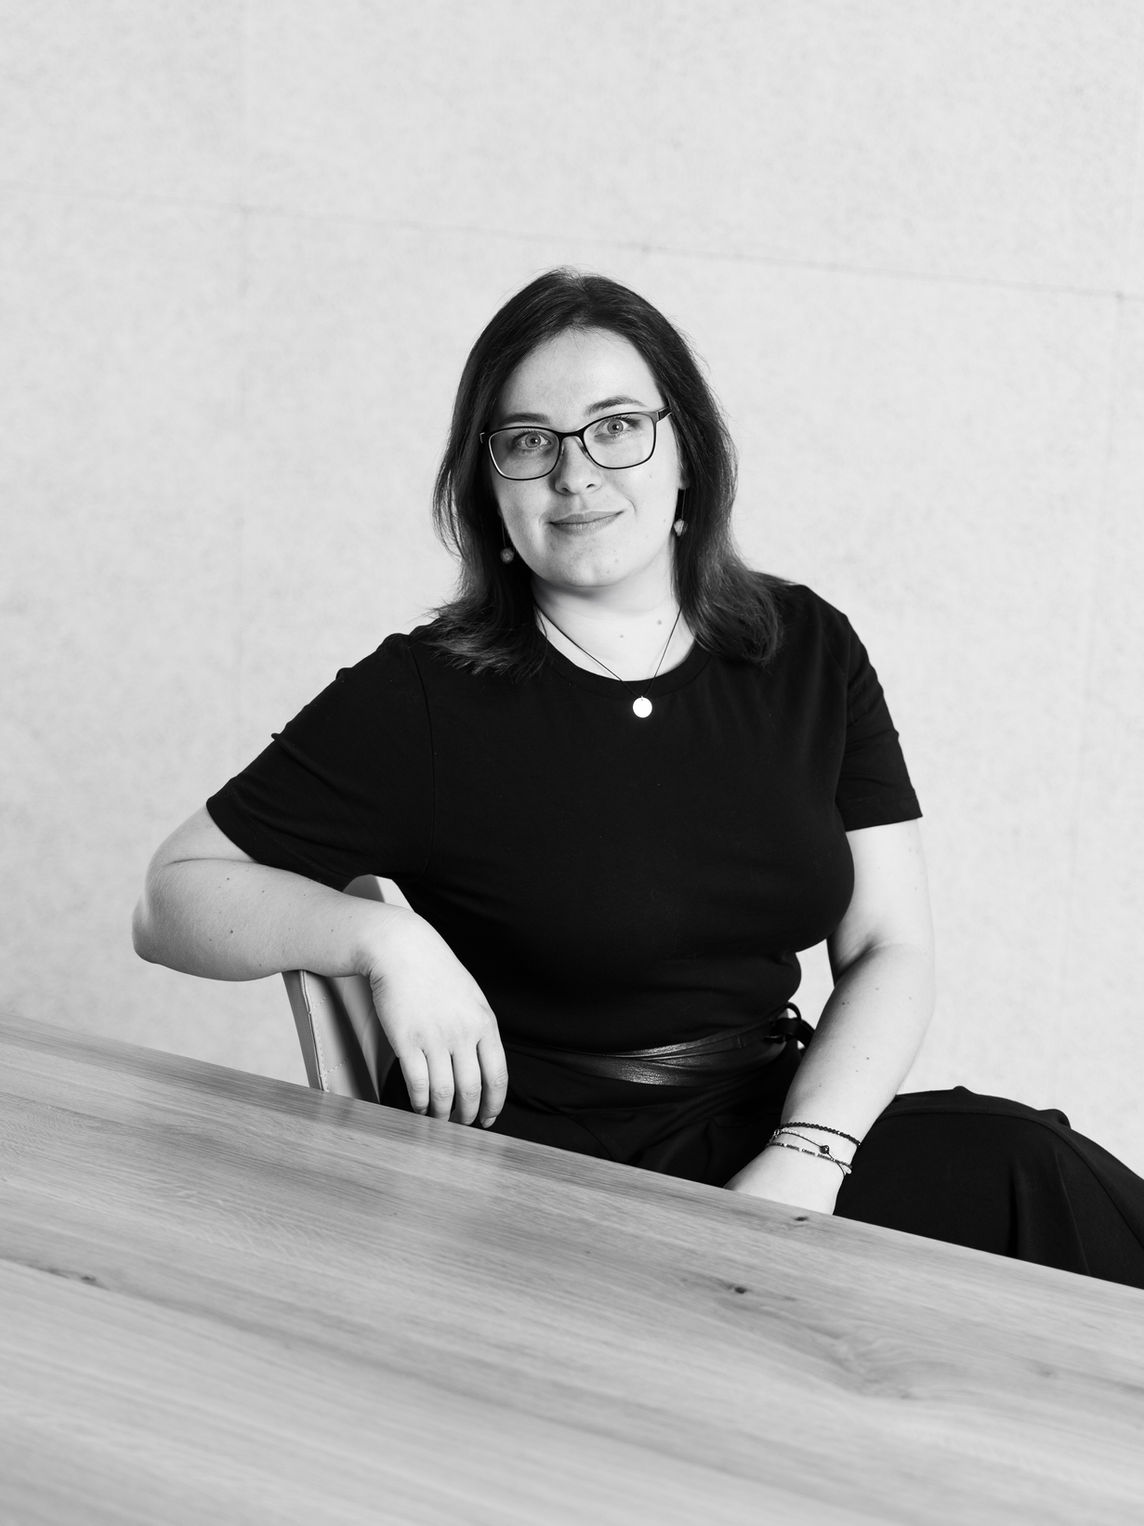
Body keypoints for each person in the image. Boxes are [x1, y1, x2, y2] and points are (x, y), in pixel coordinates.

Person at [134, 269, 1144, 1289]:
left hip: (769, 1119)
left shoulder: (804, 650)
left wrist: (808, 1154)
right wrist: (378, 937)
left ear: (687, 455)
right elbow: (170, 897)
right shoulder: (425, 694)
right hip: (531, 1173)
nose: (574, 474)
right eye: (528, 440)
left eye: (615, 427)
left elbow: (890, 946)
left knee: (1038, 1175)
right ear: (487, 486)